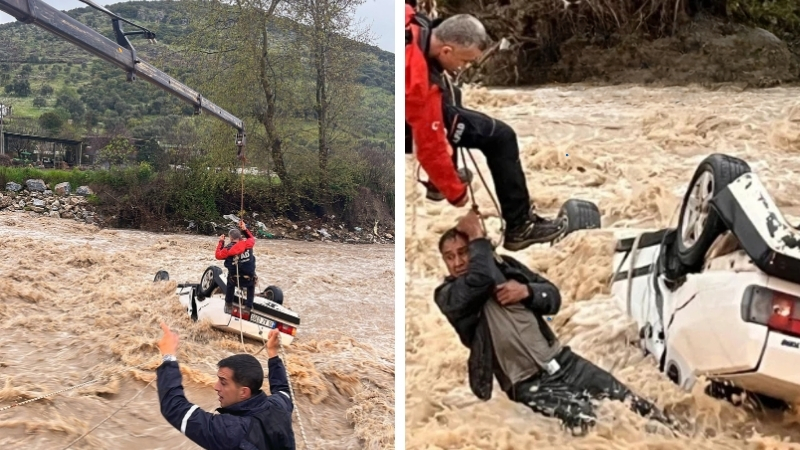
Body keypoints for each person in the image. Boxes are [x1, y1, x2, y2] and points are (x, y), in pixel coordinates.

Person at [432, 210, 670, 433]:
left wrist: (527, 291)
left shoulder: (506, 266)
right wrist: (475, 236)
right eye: (449, 257)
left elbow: (553, 297)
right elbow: (480, 280)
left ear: (475, 251)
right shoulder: (448, 295)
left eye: (463, 253)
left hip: (563, 361)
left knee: (633, 404)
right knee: (584, 422)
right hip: (525, 383)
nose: (457, 263)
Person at [405, 4, 565, 251]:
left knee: (453, 92)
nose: (465, 68)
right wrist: (456, 193)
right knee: (501, 137)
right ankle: (520, 228)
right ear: (446, 50)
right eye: (465, 61)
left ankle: (441, 180)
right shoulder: (419, 85)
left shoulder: (410, 19)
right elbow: (430, 148)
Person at [156, 323, 295, 449]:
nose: (216, 387)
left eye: (223, 382)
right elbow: (283, 390)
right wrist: (273, 355)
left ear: (244, 392)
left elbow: (174, 407)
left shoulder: (232, 431)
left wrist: (168, 357)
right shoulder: (279, 406)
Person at [216, 220, 257, 318]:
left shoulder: (228, 249)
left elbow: (218, 255)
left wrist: (221, 242)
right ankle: (248, 307)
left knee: (230, 283)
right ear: (240, 237)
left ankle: (228, 304)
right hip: (248, 279)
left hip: (235, 280)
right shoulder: (248, 244)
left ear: (230, 238)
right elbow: (251, 238)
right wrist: (245, 229)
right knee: (252, 285)